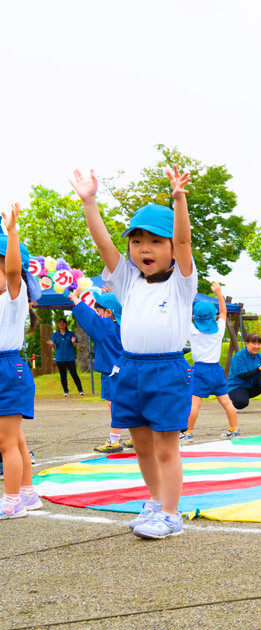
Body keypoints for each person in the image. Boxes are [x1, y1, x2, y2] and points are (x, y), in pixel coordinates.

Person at [72, 166, 197, 539]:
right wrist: (89, 202)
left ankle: (171, 514)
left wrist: (179, 200)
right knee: (141, 445)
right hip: (130, 370)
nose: (145, 248)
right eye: (138, 240)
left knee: (165, 447)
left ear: (172, 250)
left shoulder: (181, 283)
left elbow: (186, 242)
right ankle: (155, 502)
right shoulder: (126, 281)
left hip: (167, 371)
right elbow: (103, 245)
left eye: (157, 241)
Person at [0, 203, 40, 520]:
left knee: (5, 443)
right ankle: (27, 493)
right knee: (15, 439)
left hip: (7, 369)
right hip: (6, 369)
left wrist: (11, 231)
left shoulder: (14, 293)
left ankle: (11, 500)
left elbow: (12, 270)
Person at [69, 288, 126, 453]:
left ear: (108, 312)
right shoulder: (125, 324)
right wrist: (115, 293)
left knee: (114, 404)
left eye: (99, 310)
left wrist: (75, 298)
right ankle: (138, 435)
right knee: (129, 403)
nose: (97, 313)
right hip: (126, 369)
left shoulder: (105, 326)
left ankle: (114, 440)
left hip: (111, 372)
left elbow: (89, 318)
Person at [182, 282, 240, 444]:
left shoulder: (192, 330)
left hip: (200, 370)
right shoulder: (219, 329)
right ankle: (234, 429)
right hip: (216, 370)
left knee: (194, 404)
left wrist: (190, 296)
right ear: (212, 316)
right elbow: (223, 312)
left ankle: (188, 432)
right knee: (227, 402)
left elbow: (185, 313)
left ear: (195, 316)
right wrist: (219, 293)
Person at [48, 317, 84, 397]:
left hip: (70, 358)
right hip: (60, 358)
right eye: (60, 323)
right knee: (63, 375)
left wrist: (73, 342)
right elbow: (54, 346)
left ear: (66, 324)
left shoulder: (70, 334)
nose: (61, 324)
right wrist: (52, 344)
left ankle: (80, 390)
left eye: (63, 323)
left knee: (74, 374)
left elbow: (76, 345)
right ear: (57, 325)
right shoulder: (55, 335)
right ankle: (66, 391)